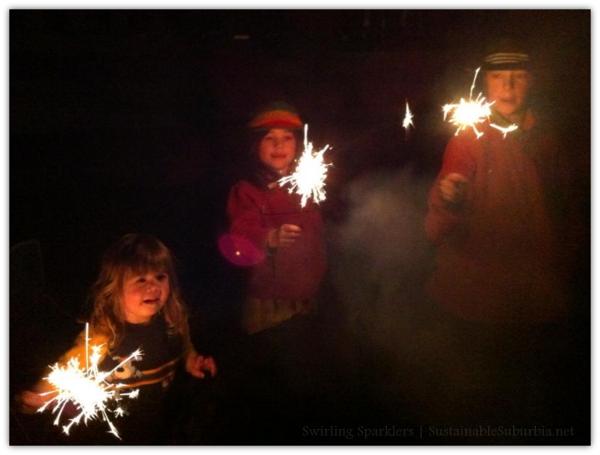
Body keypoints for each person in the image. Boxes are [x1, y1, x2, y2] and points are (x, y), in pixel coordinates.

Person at [424, 37, 579, 430]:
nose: (508, 88)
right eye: (498, 78)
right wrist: (450, 197)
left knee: (534, 402)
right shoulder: (468, 139)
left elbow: (569, 207)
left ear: (532, 82)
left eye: (518, 77)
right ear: (485, 85)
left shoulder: (547, 138)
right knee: (479, 400)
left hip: (537, 295)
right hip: (477, 299)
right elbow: (438, 220)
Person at [18, 233, 217, 444]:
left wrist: (191, 359)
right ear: (115, 288)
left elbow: (184, 343)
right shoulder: (105, 334)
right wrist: (39, 394)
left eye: (160, 277)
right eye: (141, 279)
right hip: (116, 431)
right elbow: (70, 365)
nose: (153, 287)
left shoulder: (172, 317)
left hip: (160, 416)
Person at [225, 101, 327, 335]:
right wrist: (270, 237)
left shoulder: (308, 184)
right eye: (270, 138)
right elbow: (239, 232)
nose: (279, 145)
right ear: (255, 145)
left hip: (309, 295)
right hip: (270, 301)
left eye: (287, 138)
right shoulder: (247, 190)